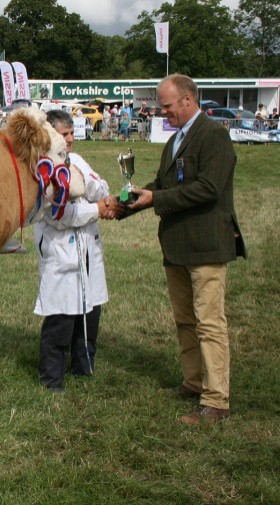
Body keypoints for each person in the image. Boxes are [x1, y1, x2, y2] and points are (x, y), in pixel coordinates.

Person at [123, 74, 246, 425]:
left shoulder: (214, 136)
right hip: (177, 247)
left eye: (167, 105)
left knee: (209, 323)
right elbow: (161, 186)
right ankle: (193, 382)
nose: (162, 112)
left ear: (189, 100)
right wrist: (129, 203)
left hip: (206, 246)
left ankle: (216, 400)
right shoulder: (175, 141)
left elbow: (208, 188)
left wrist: (156, 197)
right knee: (185, 321)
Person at [33, 109, 119, 393]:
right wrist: (96, 209)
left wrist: (86, 182)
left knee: (89, 312)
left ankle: (84, 367)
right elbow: (59, 215)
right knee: (61, 318)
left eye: (72, 134)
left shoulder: (77, 160)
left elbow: (102, 187)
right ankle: (52, 379)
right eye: (64, 134)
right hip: (60, 251)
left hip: (87, 247)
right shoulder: (42, 169)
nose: (70, 140)